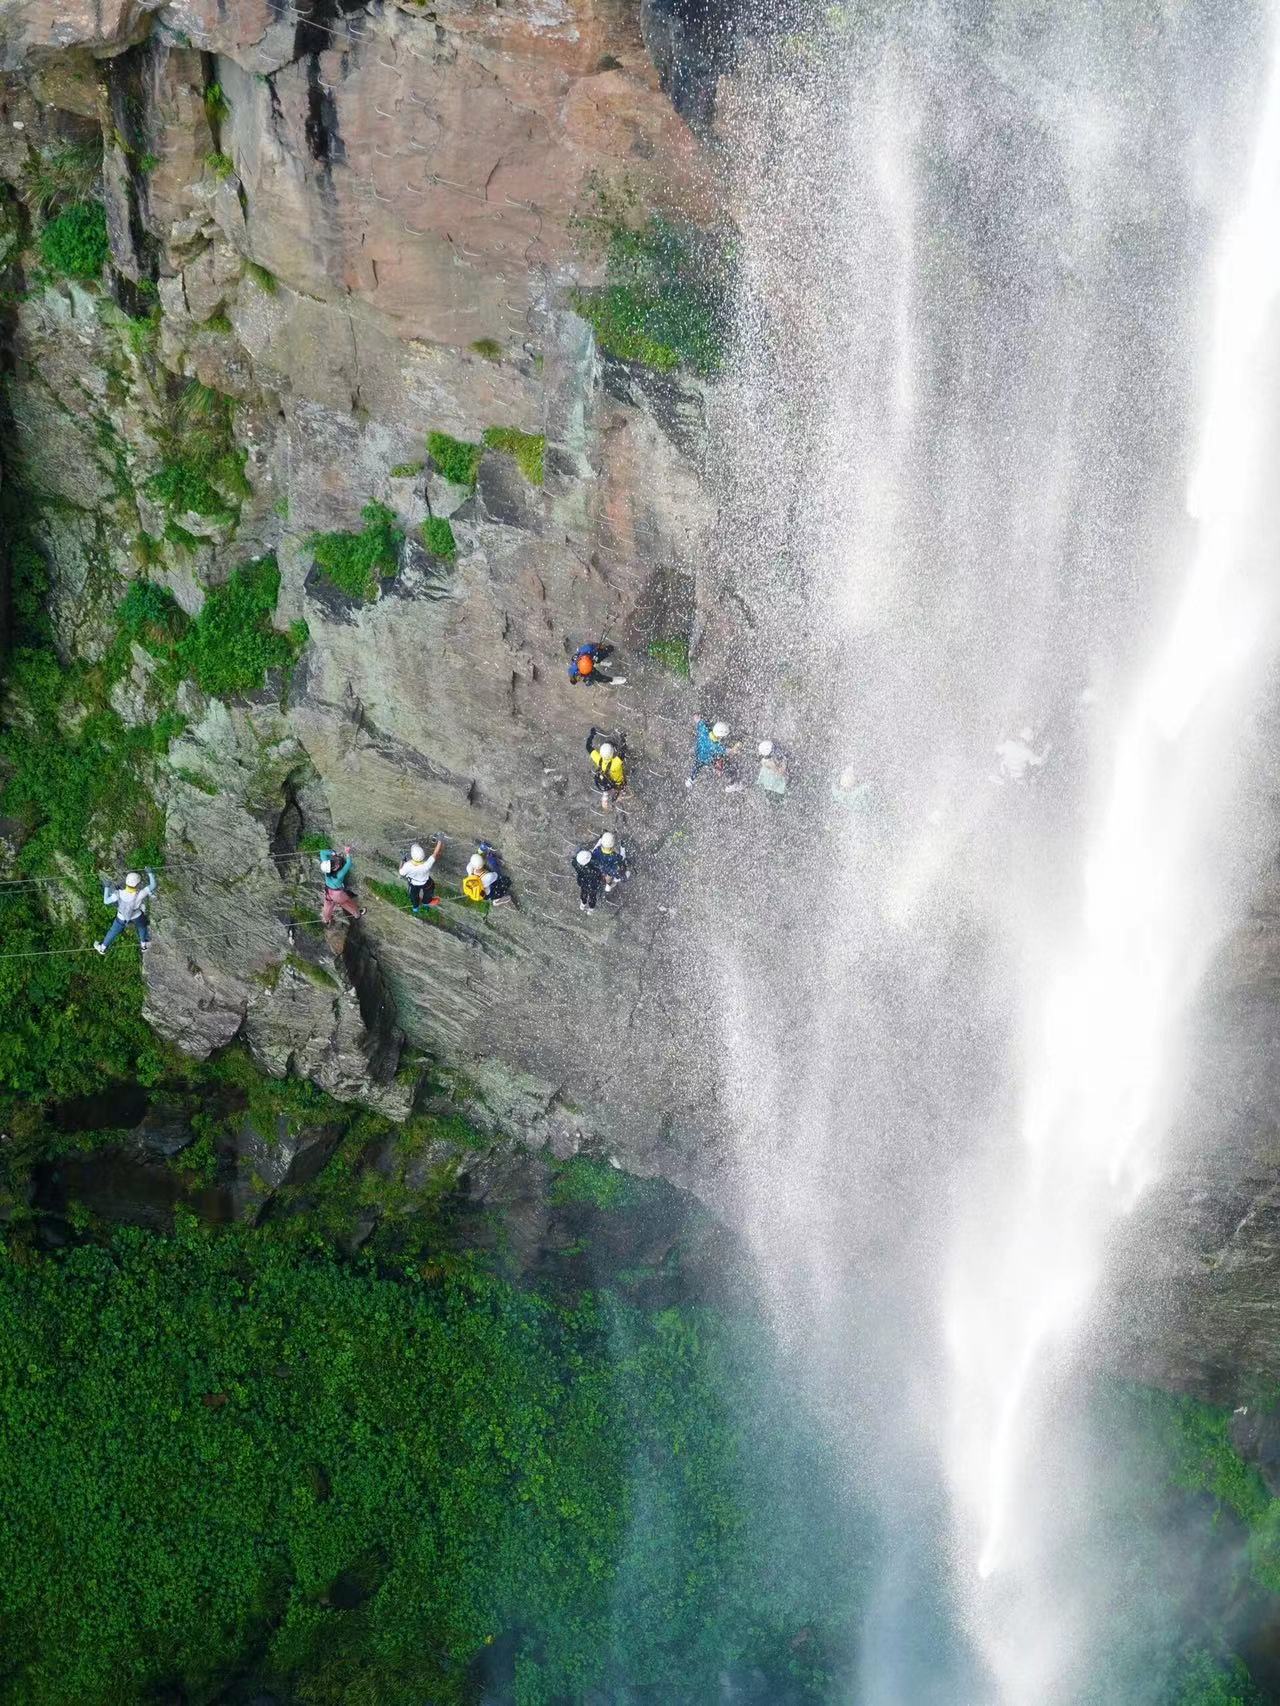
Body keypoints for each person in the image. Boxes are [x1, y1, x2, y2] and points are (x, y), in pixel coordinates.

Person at [95, 868, 157, 954]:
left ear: (126, 882)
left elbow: (106, 901)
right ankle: (144, 945)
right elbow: (153, 885)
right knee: (142, 926)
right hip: (136, 915)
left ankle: (102, 948)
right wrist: (150, 873)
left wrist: (106, 887)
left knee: (113, 931)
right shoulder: (140, 893)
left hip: (121, 916)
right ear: (138, 884)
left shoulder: (119, 893)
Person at [688, 718, 741, 791]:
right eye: (722, 737)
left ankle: (691, 779)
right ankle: (733, 783)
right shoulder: (715, 746)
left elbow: (701, 723)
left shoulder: (704, 731)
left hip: (699, 752)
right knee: (725, 765)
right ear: (719, 736)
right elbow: (726, 750)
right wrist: (734, 750)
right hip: (708, 759)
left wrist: (698, 719)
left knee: (697, 766)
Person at [318, 845, 363, 923]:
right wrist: (347, 852)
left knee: (328, 906)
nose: (336, 864)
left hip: (328, 891)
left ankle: (326, 919)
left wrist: (332, 853)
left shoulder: (326, 869)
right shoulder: (339, 875)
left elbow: (322, 852)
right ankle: (357, 915)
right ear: (333, 869)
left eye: (332, 862)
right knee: (346, 903)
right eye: (334, 865)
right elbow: (348, 863)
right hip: (337, 894)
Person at [587, 726, 626, 810]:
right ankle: (619, 800)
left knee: (606, 792)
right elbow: (623, 751)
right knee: (621, 793)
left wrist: (592, 735)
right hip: (618, 785)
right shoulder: (616, 763)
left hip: (606, 784)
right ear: (612, 753)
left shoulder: (599, 760)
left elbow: (588, 747)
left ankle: (605, 806)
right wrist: (622, 737)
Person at [399, 838, 444, 912]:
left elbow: (401, 872)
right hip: (426, 882)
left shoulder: (407, 866)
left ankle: (415, 906)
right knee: (429, 891)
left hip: (413, 883)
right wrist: (440, 840)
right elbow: (435, 853)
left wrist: (402, 860)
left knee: (413, 896)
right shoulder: (426, 865)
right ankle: (426, 902)